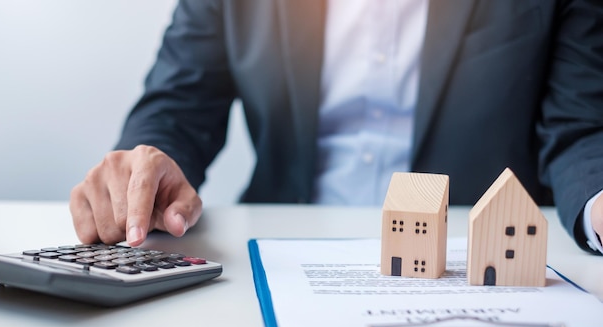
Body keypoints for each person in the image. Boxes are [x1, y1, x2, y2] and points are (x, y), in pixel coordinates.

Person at [70, 0, 603, 255]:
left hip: (473, 264)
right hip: (280, 254)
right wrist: (146, 170)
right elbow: (178, 107)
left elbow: (582, 126)